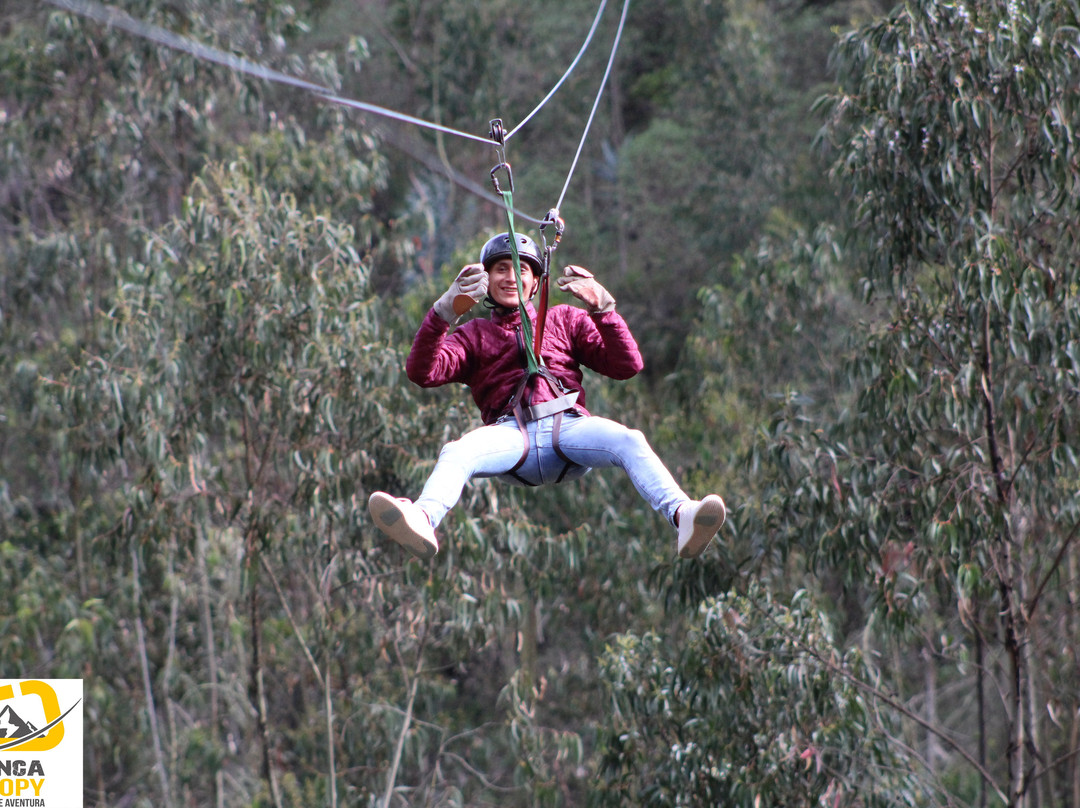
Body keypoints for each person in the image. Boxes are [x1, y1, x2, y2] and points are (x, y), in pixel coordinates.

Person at [368, 232, 726, 561]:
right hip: (512, 438)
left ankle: (682, 514)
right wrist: (443, 312)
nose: (510, 277)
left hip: (567, 429)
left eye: (520, 269)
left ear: (536, 281)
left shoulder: (565, 319)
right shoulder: (474, 335)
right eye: (501, 269)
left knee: (629, 439)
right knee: (457, 452)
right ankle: (422, 517)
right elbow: (422, 372)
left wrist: (603, 308)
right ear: (485, 281)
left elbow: (627, 364)